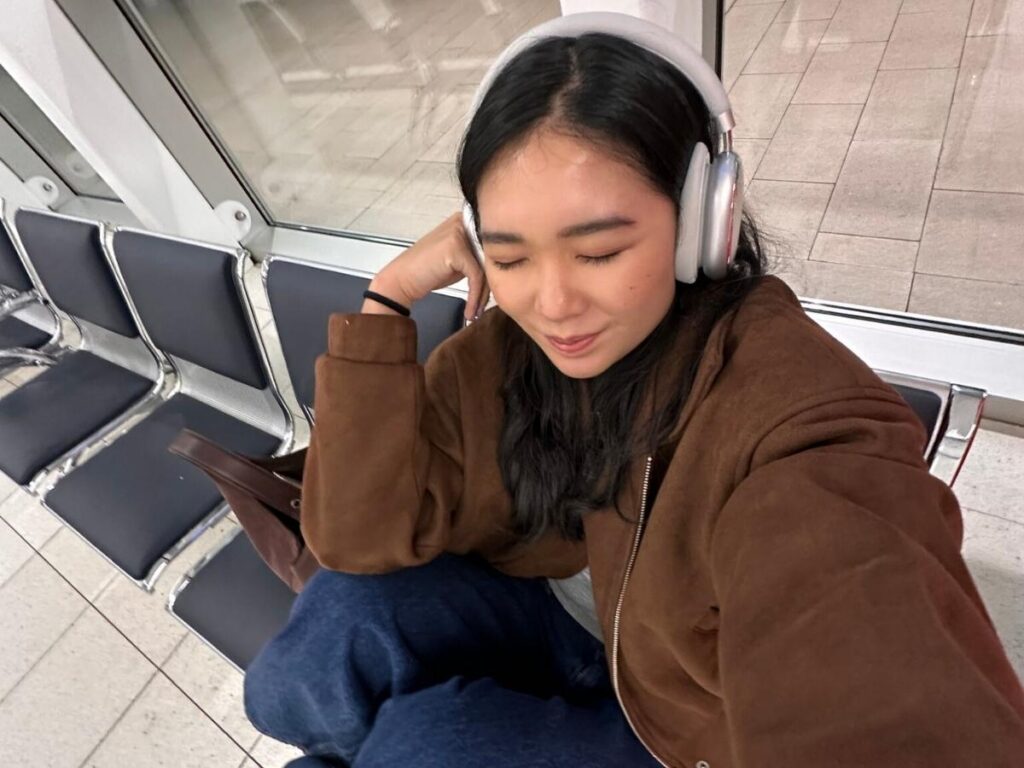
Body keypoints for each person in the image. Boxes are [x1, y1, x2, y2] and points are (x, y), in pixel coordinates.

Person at [244, 12, 1024, 768]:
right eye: (510, 259)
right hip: (557, 619)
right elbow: (352, 536)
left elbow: (869, 657)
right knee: (301, 671)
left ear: (700, 224)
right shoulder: (504, 350)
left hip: (686, 730)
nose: (551, 305)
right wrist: (388, 298)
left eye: (601, 251)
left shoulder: (797, 417)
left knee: (422, 747)